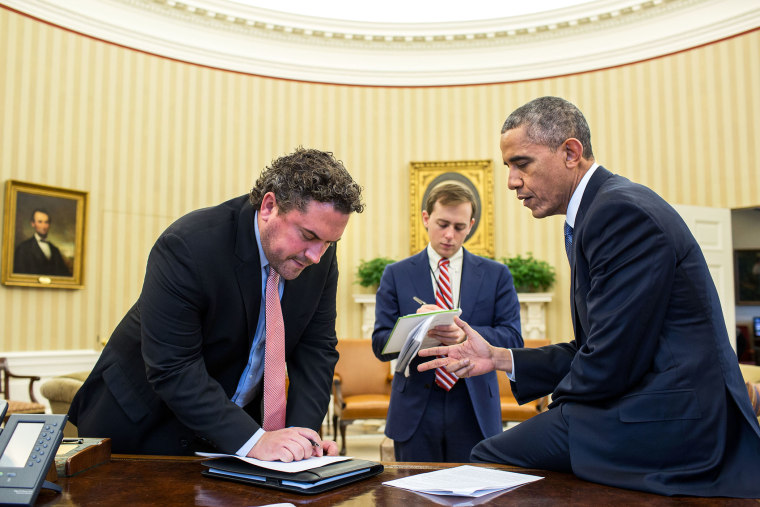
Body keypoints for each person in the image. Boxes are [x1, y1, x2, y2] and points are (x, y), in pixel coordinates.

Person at [418, 96, 760, 497]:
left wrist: (557, 410)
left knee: (488, 459)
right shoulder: (600, 209)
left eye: (521, 164)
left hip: (671, 420)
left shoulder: (619, 213)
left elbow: (611, 359)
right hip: (648, 404)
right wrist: (495, 357)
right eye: (508, 167)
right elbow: (594, 348)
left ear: (570, 152)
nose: (511, 181)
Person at [69, 147, 364, 461]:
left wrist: (301, 441)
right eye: (307, 235)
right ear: (269, 207)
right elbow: (174, 368)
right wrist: (254, 441)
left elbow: (316, 349)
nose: (316, 255)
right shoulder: (189, 246)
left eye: (329, 242)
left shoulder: (318, 257)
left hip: (228, 433)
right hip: (139, 427)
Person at [372, 182, 522, 462]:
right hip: (415, 406)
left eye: (460, 227)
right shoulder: (396, 274)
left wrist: (465, 336)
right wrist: (414, 327)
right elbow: (380, 345)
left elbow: (513, 338)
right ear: (426, 218)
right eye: (442, 224)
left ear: (471, 225)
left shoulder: (496, 275)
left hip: (474, 405)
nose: (450, 235)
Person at [13, 208, 71, 276]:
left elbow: (65, 275)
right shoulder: (23, 248)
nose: (44, 226)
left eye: (46, 222)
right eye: (40, 222)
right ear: (33, 224)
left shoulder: (55, 250)